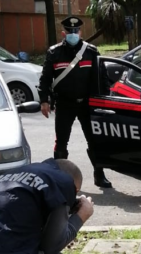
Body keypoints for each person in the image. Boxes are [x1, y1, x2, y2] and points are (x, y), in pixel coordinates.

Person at [38, 15, 112, 189]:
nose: (73, 34)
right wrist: (44, 101)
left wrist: (105, 100)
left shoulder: (91, 52)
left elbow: (102, 78)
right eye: (70, 31)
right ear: (63, 33)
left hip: (88, 104)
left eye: (76, 31)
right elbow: (45, 79)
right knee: (61, 142)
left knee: (94, 140)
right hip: (65, 104)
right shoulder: (54, 53)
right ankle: (59, 179)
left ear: (80, 32)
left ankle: (99, 174)